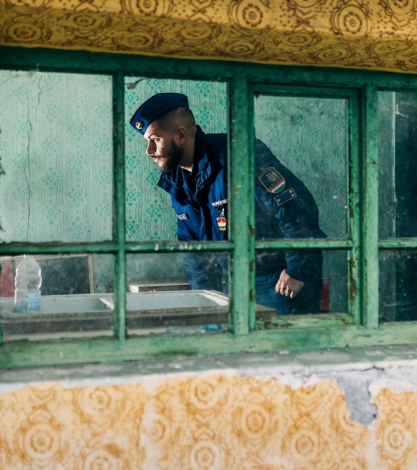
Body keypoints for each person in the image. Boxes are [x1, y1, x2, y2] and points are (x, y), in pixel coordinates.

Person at [130, 92, 326, 315]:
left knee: (277, 338)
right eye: (147, 142)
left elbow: (295, 207)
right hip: (235, 282)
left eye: (155, 140)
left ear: (181, 135)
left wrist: (298, 270)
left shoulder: (239, 155)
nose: (149, 151)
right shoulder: (177, 181)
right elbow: (195, 249)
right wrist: (204, 300)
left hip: (280, 280)